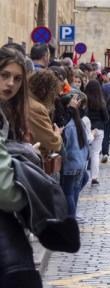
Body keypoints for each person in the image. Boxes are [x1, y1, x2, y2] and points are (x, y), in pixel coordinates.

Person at [0, 47, 43, 288]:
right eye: (4, 75)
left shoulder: (7, 112)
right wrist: (31, 198)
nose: (10, 83)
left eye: (17, 78)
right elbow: (5, 190)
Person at [59, 91, 90, 218]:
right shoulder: (79, 122)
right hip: (80, 162)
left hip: (70, 162)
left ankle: (71, 218)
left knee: (68, 193)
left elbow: (65, 146)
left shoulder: (68, 126)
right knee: (74, 190)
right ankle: (73, 215)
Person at [83, 80, 108, 186]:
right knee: (95, 153)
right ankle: (94, 177)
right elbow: (106, 117)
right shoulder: (101, 102)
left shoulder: (85, 101)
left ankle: (82, 175)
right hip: (99, 129)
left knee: (84, 152)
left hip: (87, 128)